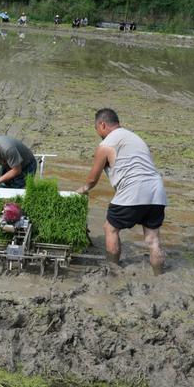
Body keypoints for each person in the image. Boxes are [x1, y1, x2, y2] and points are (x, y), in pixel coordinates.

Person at [76, 108, 167, 275]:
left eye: (97, 129)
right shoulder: (135, 138)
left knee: (110, 228)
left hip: (133, 190)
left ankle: (114, 269)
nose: (98, 134)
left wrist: (79, 192)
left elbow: (91, 180)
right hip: (157, 192)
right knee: (153, 240)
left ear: (102, 125)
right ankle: (160, 275)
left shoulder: (106, 144)